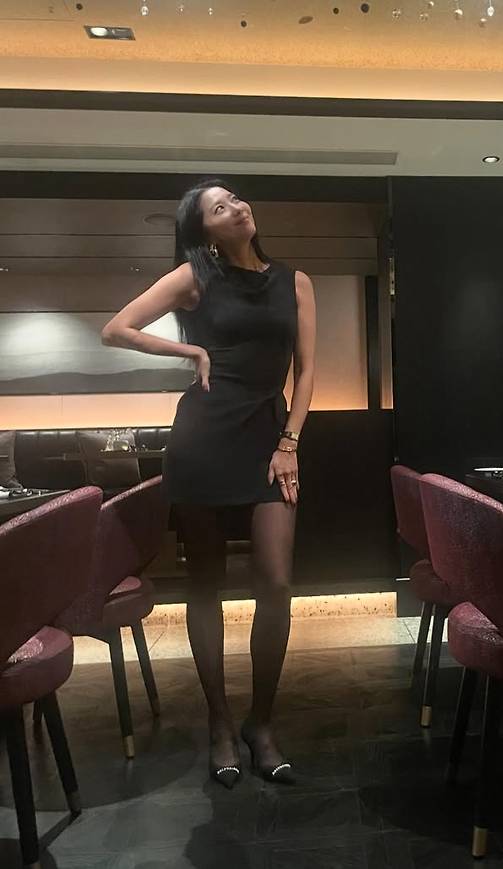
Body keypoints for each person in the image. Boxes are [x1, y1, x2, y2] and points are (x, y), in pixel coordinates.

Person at [101, 178, 316, 789]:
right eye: (220, 207)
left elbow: (306, 373)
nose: (237, 207)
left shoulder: (295, 281)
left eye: (236, 199)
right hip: (202, 440)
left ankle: (261, 722)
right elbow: (117, 328)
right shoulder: (193, 276)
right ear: (205, 232)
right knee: (205, 584)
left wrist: (289, 444)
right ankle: (220, 722)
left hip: (269, 437)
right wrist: (190, 355)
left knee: (276, 582)